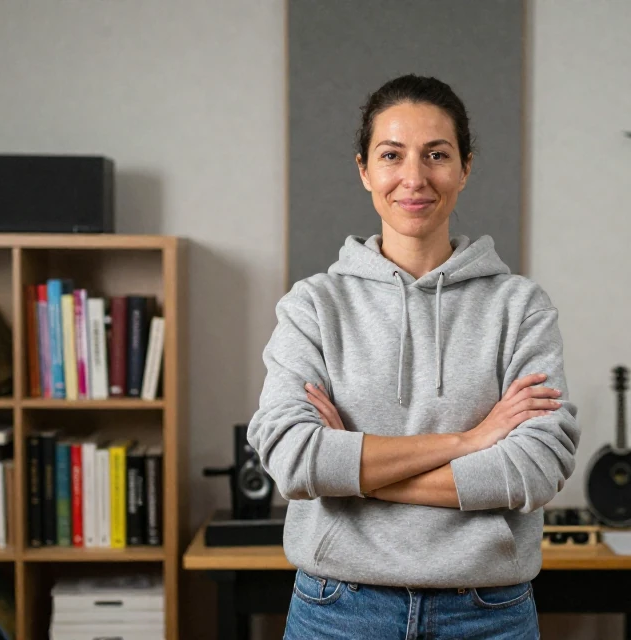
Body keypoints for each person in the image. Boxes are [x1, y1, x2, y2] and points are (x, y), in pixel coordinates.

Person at [247, 73, 580, 640]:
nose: (414, 177)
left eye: (437, 155)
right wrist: (468, 441)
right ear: (364, 170)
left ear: (465, 168)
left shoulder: (520, 306)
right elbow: (292, 458)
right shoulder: (313, 306)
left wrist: (352, 472)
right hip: (337, 611)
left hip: (487, 614)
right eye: (391, 155)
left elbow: (536, 466)